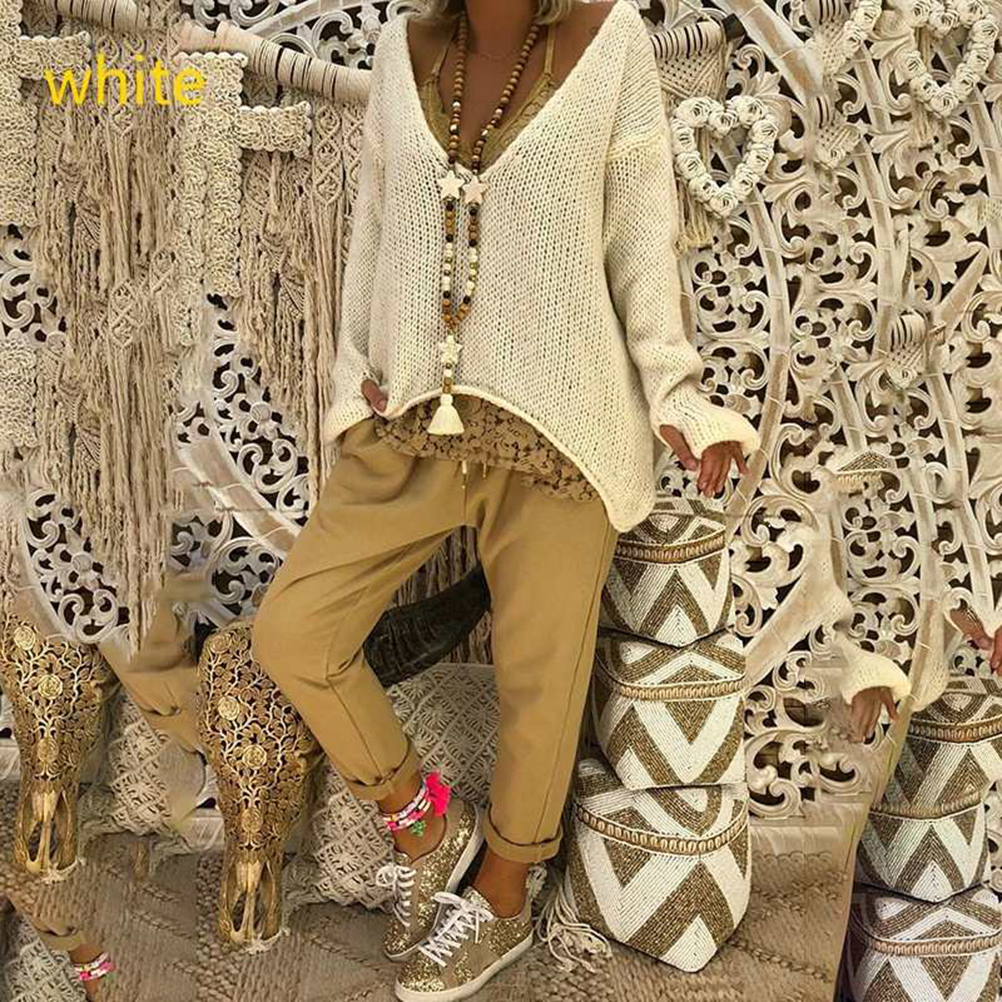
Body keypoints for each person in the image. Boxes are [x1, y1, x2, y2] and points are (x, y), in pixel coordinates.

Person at [250, 2, 903, 998]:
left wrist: (677, 397)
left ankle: (504, 898)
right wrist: (353, 386)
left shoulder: (611, 42)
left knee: (539, 685)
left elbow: (643, 238)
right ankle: (426, 828)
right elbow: (374, 230)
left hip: (561, 429)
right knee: (295, 632)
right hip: (412, 423)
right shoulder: (402, 46)